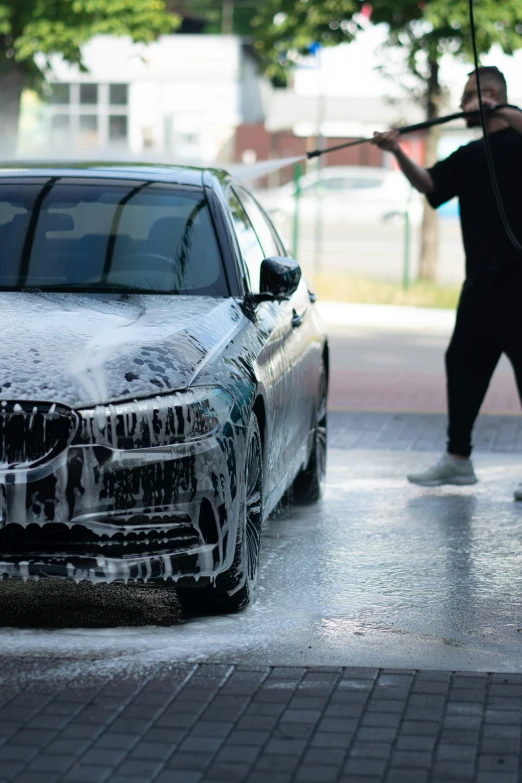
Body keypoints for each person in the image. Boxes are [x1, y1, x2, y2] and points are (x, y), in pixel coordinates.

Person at [371, 67, 522, 496]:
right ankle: (458, 460)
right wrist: (397, 152)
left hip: (520, 285)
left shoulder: (517, 138)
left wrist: (503, 109)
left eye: (470, 96)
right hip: (483, 284)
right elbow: (431, 184)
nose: (461, 107)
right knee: (462, 363)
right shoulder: (471, 156)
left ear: (490, 95)